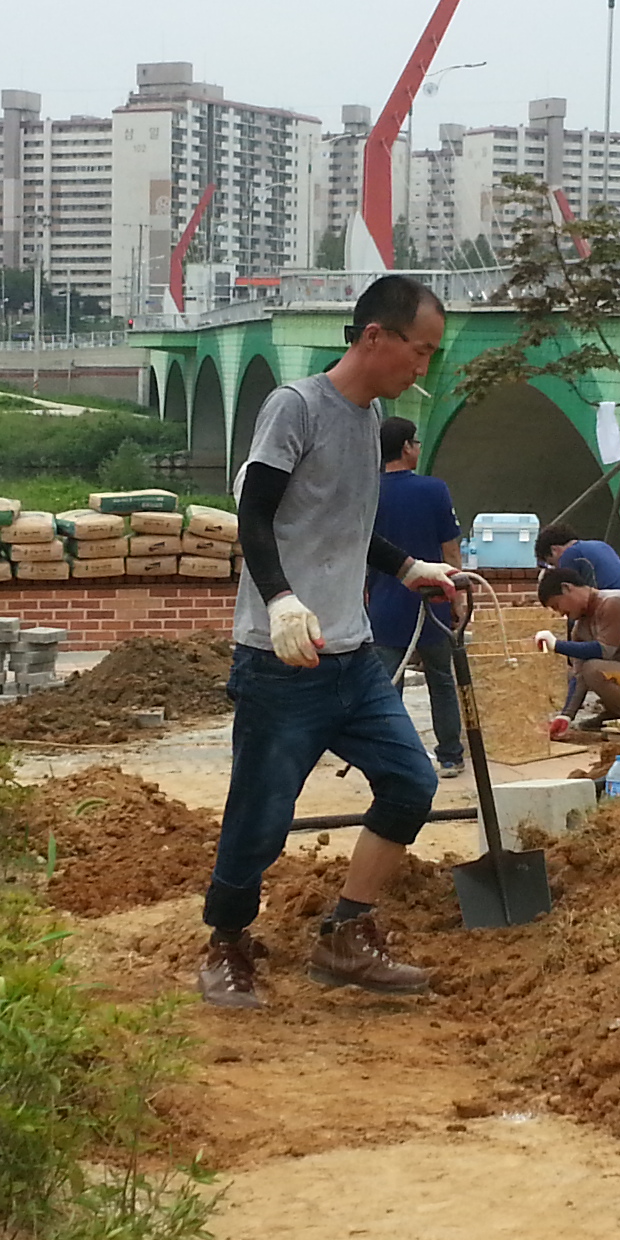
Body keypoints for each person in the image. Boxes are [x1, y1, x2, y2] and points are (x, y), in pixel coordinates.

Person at [200, 273, 460, 1008]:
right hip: (281, 659)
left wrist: (409, 567)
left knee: (411, 783)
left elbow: (348, 522)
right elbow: (254, 516)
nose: (424, 367)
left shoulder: (370, 422)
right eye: (420, 349)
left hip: (352, 656)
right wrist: (281, 600)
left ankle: (347, 932)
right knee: (261, 818)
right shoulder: (296, 408)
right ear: (375, 336)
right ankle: (225, 943)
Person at [367, 414, 467, 780]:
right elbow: (450, 552)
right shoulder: (434, 490)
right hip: (434, 603)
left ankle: (395, 760)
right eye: (417, 443)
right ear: (407, 447)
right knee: (442, 680)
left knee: (388, 688)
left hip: (384, 606)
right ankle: (451, 756)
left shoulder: (368, 492)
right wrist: (458, 600)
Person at [534, 560, 620, 734]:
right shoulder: (580, 627)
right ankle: (616, 713)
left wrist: (557, 645)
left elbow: (605, 650)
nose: (560, 613)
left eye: (557, 605)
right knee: (582, 669)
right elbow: (579, 675)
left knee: (593, 668)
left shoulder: (614, 602)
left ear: (567, 588)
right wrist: (566, 716)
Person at [531, 522, 620, 603]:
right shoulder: (601, 545)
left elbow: (573, 601)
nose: (558, 567)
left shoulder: (570, 555)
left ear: (554, 550)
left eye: (553, 563)